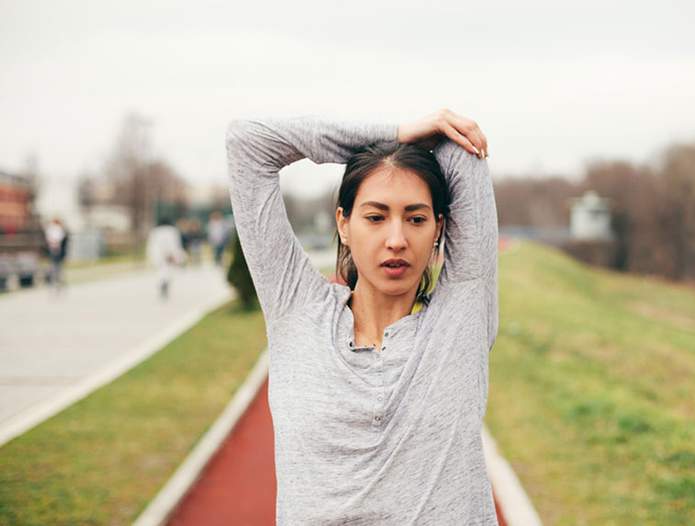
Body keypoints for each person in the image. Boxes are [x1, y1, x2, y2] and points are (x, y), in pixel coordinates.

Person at [226, 109, 497, 524]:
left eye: (416, 218)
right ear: (344, 224)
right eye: (375, 217)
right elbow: (249, 143)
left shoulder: (461, 321)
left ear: (440, 228)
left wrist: (420, 142)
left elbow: (462, 147)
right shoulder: (297, 310)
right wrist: (394, 132)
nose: (396, 240)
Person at [146, 217, 186, 299]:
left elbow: (151, 244)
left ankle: (163, 283)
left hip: (157, 254)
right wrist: (174, 255)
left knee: (161, 270)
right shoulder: (172, 231)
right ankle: (164, 283)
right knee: (168, 270)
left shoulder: (155, 231)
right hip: (168, 253)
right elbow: (174, 244)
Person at [44, 217, 69, 292]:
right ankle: (55, 281)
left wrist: (55, 244)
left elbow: (58, 238)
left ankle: (57, 281)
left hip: (57, 250)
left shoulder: (57, 229)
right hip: (54, 250)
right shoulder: (53, 229)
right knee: (55, 266)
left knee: (57, 266)